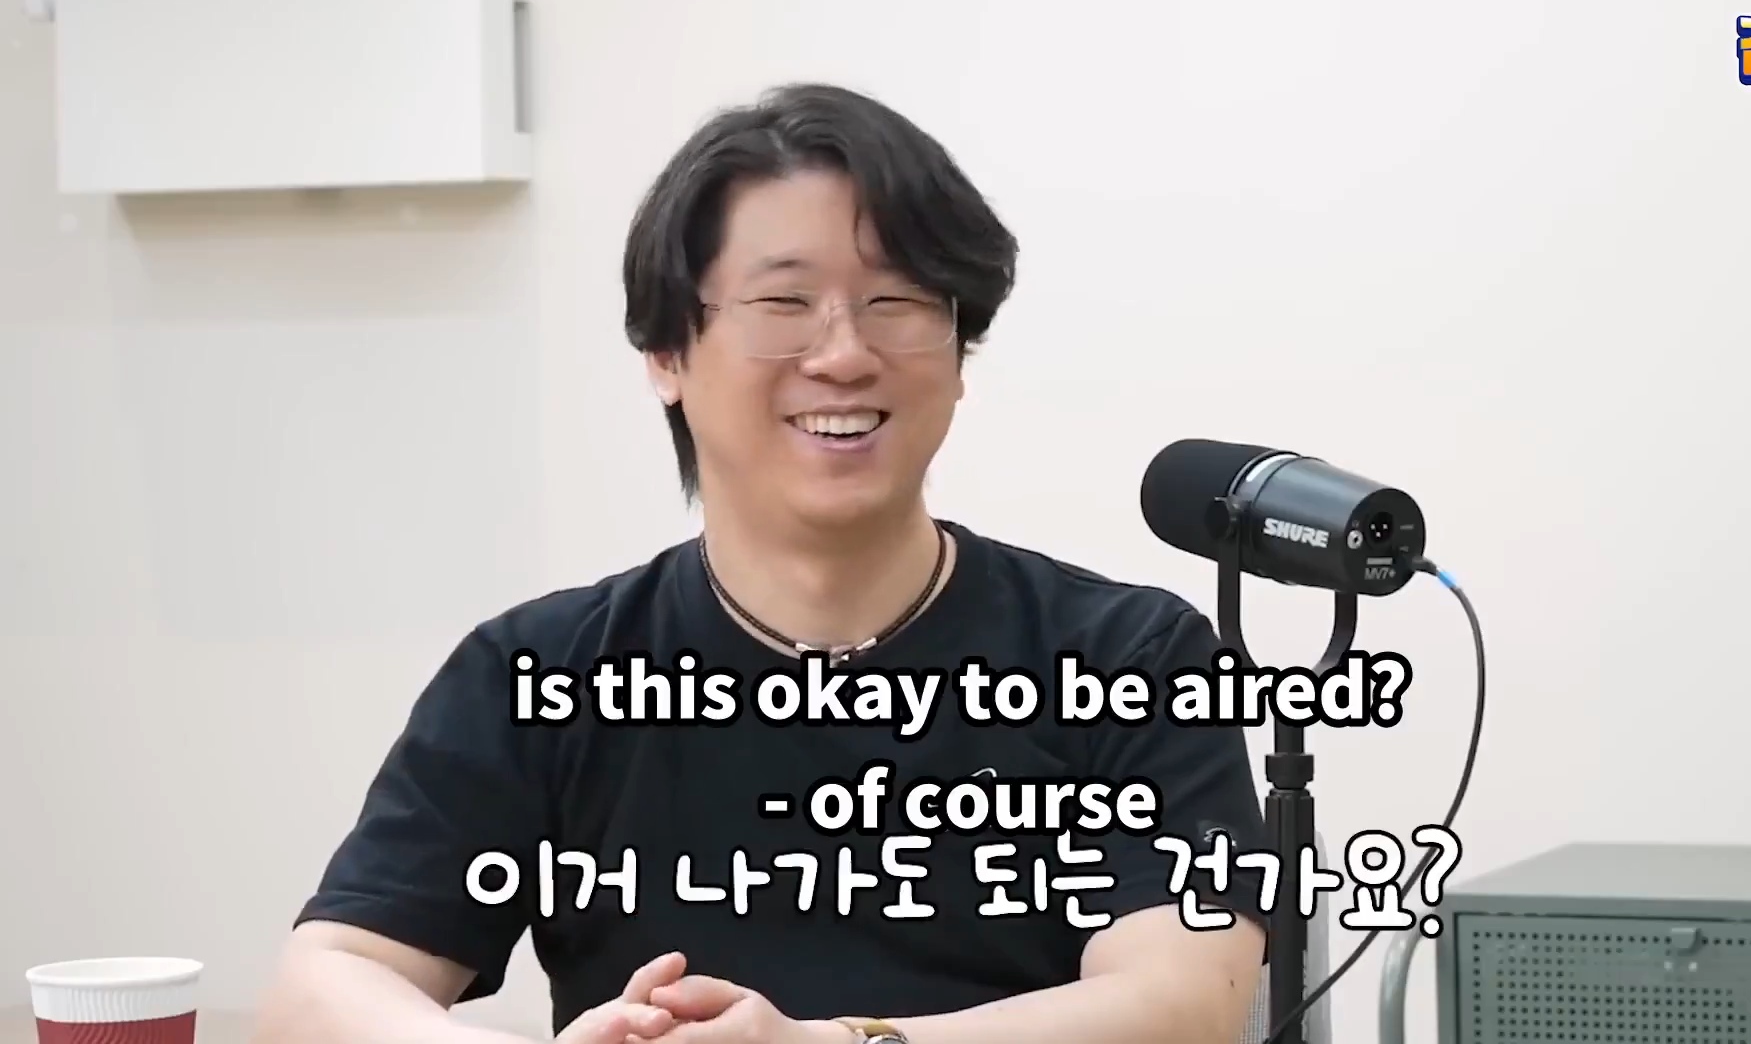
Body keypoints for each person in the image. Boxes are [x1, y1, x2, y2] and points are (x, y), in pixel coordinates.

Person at [256, 83, 1268, 1044]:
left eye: (898, 300)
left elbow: (1183, 1005)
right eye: (784, 303)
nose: (844, 355)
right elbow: (321, 986)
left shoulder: (1129, 657)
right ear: (666, 354)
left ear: (960, 353)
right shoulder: (546, 673)